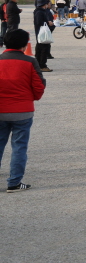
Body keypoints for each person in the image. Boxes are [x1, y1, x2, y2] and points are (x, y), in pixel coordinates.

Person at [0, 29, 46, 192]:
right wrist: (32, 98)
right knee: (19, 147)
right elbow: (38, 86)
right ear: (24, 44)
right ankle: (14, 183)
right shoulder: (30, 61)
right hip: (23, 112)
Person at [32, 0, 54, 72]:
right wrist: (48, 22)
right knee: (44, 49)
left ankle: (38, 65)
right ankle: (42, 65)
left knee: (39, 48)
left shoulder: (39, 11)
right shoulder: (40, 12)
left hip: (40, 33)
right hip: (42, 33)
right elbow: (39, 22)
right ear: (45, 5)